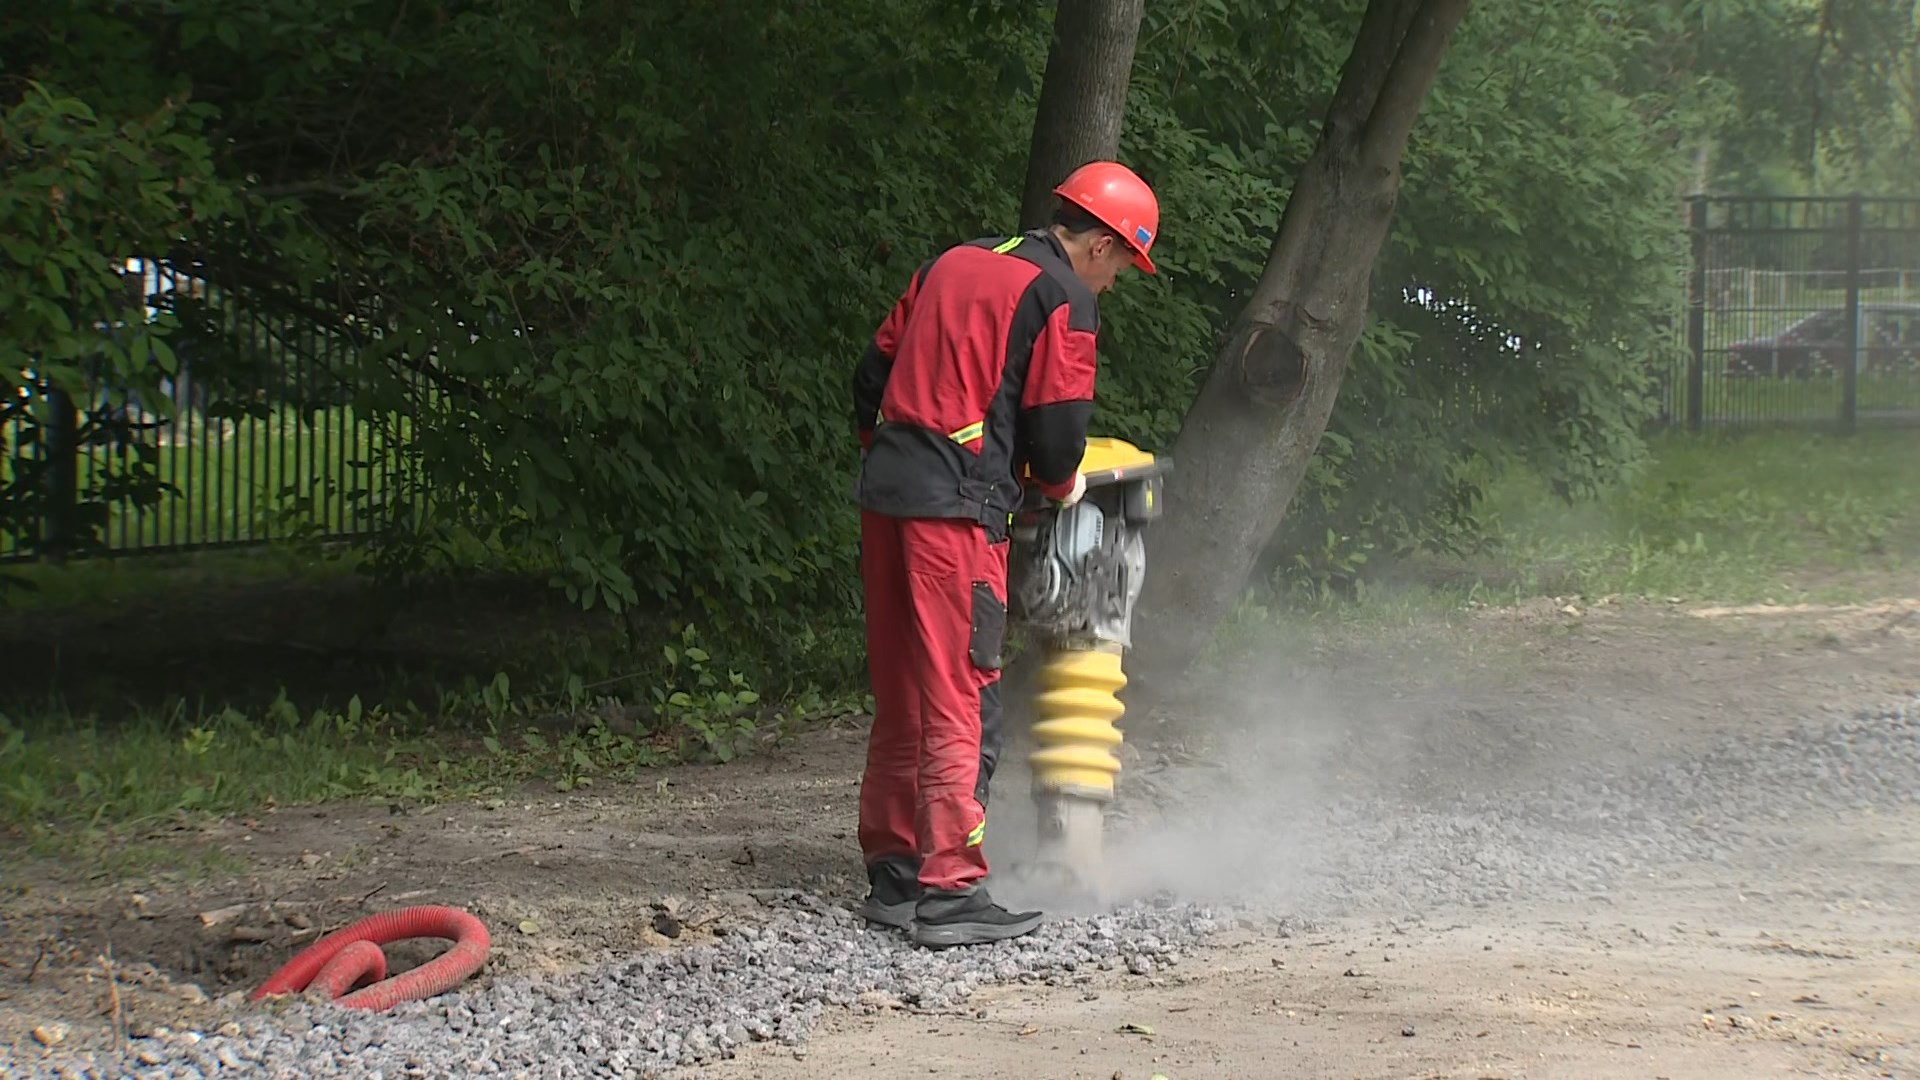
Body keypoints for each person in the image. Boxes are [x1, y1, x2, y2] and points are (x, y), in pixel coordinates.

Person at [847, 161, 1161, 948]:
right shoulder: (1064, 298)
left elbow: (871, 375)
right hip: (955, 515)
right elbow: (1057, 434)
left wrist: (902, 454)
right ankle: (951, 889)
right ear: (1099, 243)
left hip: (887, 494)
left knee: (903, 687)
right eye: (1124, 264)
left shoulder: (951, 262)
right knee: (960, 692)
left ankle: (894, 873)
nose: (1117, 282)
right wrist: (1054, 487)